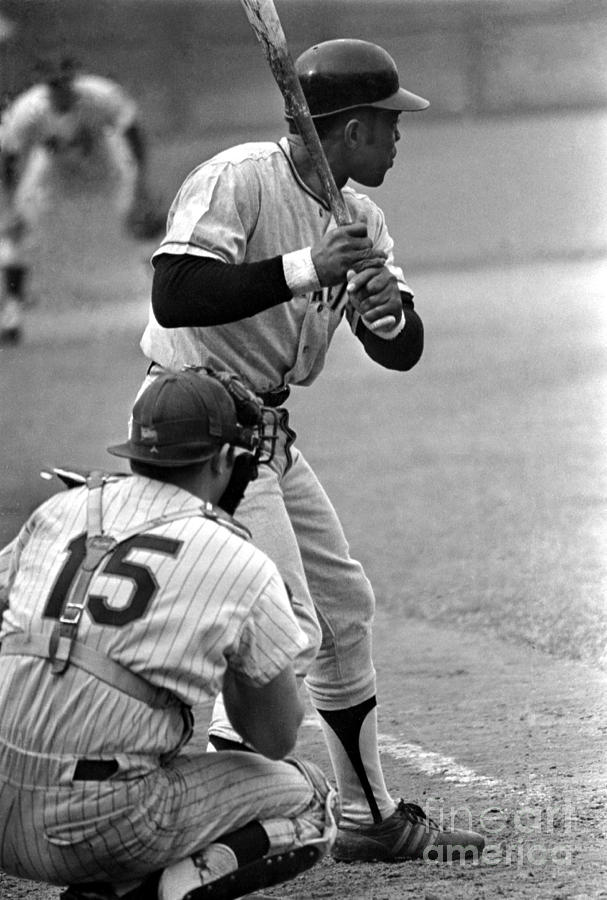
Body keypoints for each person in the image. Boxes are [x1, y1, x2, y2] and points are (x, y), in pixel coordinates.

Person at [138, 38, 485, 864]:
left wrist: (380, 309)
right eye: (389, 124)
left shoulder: (358, 217)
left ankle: (368, 821)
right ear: (354, 126)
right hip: (197, 429)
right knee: (279, 626)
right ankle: (202, 833)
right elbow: (174, 291)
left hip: (265, 433)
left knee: (340, 611)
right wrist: (303, 267)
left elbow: (402, 348)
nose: (398, 139)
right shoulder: (239, 178)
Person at [0, 368, 337, 900]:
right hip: (94, 825)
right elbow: (275, 737)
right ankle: (139, 894)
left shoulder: (60, 510)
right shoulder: (236, 559)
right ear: (226, 460)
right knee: (313, 801)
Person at [0, 56, 164, 337]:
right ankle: (12, 313)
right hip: (53, 168)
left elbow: (132, 133)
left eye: (65, 82)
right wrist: (11, 205)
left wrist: (140, 188)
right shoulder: (28, 109)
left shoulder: (100, 95)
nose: (60, 89)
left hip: (104, 160)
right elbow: (8, 158)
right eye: (54, 85)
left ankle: (165, 305)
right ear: (44, 87)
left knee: (142, 222)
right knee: (18, 229)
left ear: (74, 80)